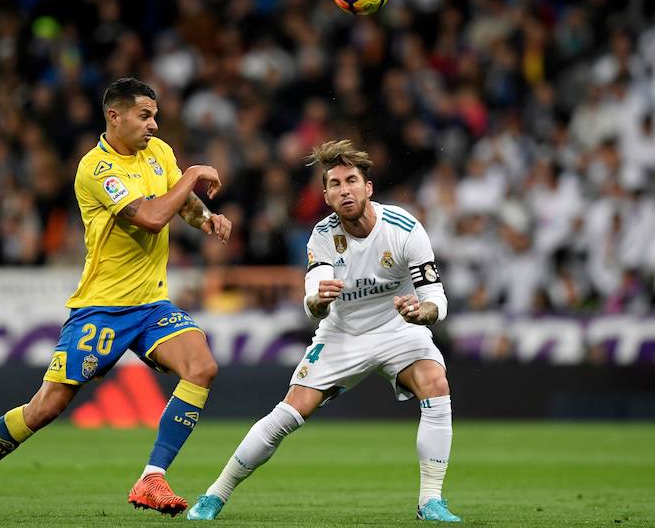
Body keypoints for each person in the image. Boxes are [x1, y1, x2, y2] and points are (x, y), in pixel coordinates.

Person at [0, 78, 232, 520]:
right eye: (144, 115)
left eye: (155, 115)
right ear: (114, 116)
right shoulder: (96, 170)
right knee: (47, 407)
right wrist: (193, 173)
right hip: (102, 307)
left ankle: (152, 477)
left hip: (152, 305)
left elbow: (182, 204)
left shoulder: (161, 154)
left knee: (202, 367)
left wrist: (207, 218)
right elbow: (153, 217)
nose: (154, 124)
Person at [186, 140, 461, 522]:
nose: (344, 189)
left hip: (398, 327)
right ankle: (215, 493)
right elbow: (313, 295)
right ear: (327, 196)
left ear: (368, 188)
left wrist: (422, 312)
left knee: (436, 383)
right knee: (288, 414)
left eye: (351, 180)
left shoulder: (405, 228)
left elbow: (436, 297)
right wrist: (317, 301)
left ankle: (430, 500)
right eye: (334, 184)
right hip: (342, 334)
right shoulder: (323, 234)